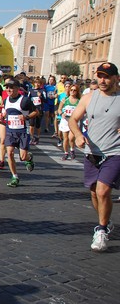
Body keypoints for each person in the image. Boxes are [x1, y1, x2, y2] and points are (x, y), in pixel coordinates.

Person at [68, 62, 120, 252]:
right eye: (99, 76)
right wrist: (79, 135)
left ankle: (101, 230)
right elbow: (73, 119)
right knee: (93, 192)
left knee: (102, 191)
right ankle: (104, 220)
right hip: (92, 152)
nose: (102, 80)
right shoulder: (89, 97)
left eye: (106, 76)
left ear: (117, 78)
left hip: (115, 151)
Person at [0, 78, 38, 187]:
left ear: (17, 88)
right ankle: (14, 177)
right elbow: (5, 113)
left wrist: (26, 117)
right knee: (9, 153)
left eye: (11, 87)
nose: (8, 89)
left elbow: (36, 112)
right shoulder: (6, 101)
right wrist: (1, 118)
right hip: (10, 131)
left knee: (23, 156)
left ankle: (29, 158)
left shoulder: (24, 100)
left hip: (23, 131)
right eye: (7, 87)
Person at [58, 83, 81, 160]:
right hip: (65, 120)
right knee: (65, 138)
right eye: (71, 90)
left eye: (74, 90)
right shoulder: (65, 100)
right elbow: (59, 109)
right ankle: (66, 153)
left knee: (71, 138)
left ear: (77, 92)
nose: (72, 91)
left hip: (74, 121)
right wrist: (61, 114)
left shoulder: (79, 101)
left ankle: (72, 149)